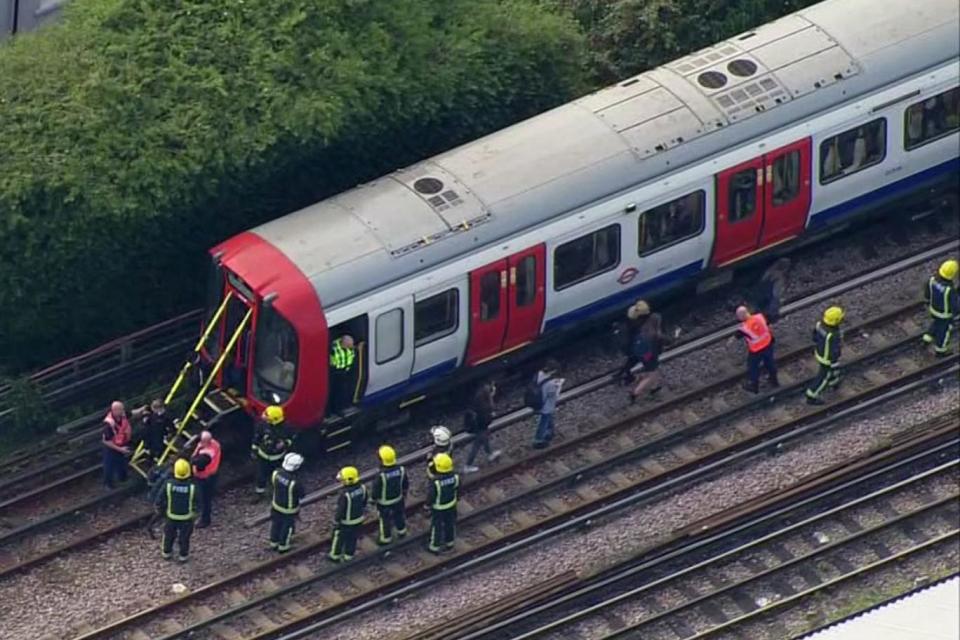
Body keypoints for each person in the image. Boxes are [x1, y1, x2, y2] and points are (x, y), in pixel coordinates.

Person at [155, 458, 197, 562]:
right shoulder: (192, 487)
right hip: (187, 518)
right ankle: (183, 555)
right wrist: (194, 514)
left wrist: (160, 510)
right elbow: (198, 502)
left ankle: (167, 553)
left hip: (171, 516)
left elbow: (159, 499)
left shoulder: (168, 484)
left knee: (168, 535)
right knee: (184, 538)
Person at [629, 313, 674, 403]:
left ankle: (654, 388)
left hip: (644, 356)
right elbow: (668, 341)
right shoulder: (655, 334)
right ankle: (635, 393)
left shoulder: (644, 331)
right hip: (650, 357)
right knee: (651, 376)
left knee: (654, 373)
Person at [734, 306, 779, 393]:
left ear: (741, 316)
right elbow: (768, 321)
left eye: (738, 317)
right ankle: (774, 381)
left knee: (752, 367)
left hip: (757, 350)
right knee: (770, 363)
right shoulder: (760, 316)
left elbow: (737, 335)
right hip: (768, 344)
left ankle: (754, 385)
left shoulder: (745, 328)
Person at [806, 307, 844, 405]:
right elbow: (833, 350)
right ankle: (811, 395)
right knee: (823, 377)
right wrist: (832, 361)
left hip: (819, 353)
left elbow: (814, 337)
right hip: (827, 360)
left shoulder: (820, 325)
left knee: (834, 371)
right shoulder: (833, 335)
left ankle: (834, 382)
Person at [371, 445, 409, 545]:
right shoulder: (401, 469)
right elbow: (405, 483)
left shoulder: (381, 475)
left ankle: (385, 539)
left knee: (385, 520)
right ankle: (402, 531)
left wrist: (373, 499)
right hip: (398, 499)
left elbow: (376, 489)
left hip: (384, 503)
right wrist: (404, 493)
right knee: (399, 515)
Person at [329, 466, 367, 562]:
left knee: (339, 537)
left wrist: (336, 520)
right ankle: (348, 556)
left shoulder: (344, 494)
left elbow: (341, 510)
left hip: (346, 522)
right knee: (352, 538)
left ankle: (335, 556)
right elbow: (364, 501)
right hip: (358, 519)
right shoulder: (362, 487)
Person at [251, 405, 291, 496]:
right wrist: (254, 451)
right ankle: (259, 493)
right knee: (260, 476)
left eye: (267, 415)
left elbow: (291, 439)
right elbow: (257, 438)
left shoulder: (285, 428)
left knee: (277, 477)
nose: (264, 415)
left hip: (278, 459)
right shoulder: (262, 425)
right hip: (262, 456)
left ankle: (276, 493)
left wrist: (284, 444)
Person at [270, 452, 305, 553]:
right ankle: (283, 547)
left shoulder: (276, 473)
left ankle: (273, 542)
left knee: (276, 524)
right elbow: (302, 495)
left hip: (275, 505)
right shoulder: (295, 482)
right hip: (289, 510)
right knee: (287, 527)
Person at [463, 382, 501, 473]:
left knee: (485, 438)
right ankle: (467, 465)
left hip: (479, 425)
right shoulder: (485, 404)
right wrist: (491, 414)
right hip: (480, 425)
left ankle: (490, 454)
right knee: (477, 444)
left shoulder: (479, 397)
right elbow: (486, 417)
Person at [923, 259, 958, 357]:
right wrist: (957, 315)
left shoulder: (932, 280)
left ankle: (927, 338)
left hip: (933, 310)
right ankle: (940, 351)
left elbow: (927, 293)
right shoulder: (949, 290)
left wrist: (927, 301)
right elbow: (954, 305)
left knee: (936, 323)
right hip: (944, 315)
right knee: (944, 331)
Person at [427, 453, 460, 554]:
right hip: (451, 505)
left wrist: (427, 505)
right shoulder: (455, 477)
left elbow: (431, 496)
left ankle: (434, 547)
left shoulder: (436, 482)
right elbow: (458, 489)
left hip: (438, 508)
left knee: (436, 526)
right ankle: (449, 543)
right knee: (449, 524)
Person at [191, 430, 222, 528]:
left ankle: (205, 520)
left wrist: (191, 459)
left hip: (205, 478)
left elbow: (195, 462)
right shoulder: (214, 444)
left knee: (205, 499)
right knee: (205, 498)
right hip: (210, 475)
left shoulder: (207, 454)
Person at [532, 360, 564, 449]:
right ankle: (538, 439)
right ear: (553, 370)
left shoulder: (539, 374)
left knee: (548, 417)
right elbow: (553, 394)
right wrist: (558, 385)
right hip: (545, 404)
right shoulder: (552, 383)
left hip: (537, 400)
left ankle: (551, 431)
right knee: (544, 420)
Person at [102, 401, 133, 489]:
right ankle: (108, 484)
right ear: (115, 410)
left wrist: (142, 409)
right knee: (109, 466)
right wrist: (120, 449)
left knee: (122, 463)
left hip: (121, 443)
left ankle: (123, 478)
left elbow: (131, 413)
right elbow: (106, 441)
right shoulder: (108, 423)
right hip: (111, 446)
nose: (123, 411)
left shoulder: (121, 415)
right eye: (121, 409)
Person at [618, 300, 651, 385]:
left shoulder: (633, 317)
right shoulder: (637, 323)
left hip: (635, 345)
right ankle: (627, 375)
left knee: (634, 359)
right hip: (635, 345)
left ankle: (626, 374)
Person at [753, 258, 790, 324]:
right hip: (770, 296)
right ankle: (771, 317)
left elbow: (762, 282)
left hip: (761, 295)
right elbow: (776, 293)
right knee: (774, 302)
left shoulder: (768, 272)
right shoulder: (779, 277)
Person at [329, 334, 357, 415]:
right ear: (343, 343)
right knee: (333, 393)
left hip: (345, 372)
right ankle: (332, 410)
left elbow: (351, 356)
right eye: (348, 345)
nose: (350, 347)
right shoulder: (333, 348)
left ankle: (340, 409)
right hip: (334, 373)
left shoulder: (350, 347)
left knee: (342, 392)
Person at [140, 398, 174, 463]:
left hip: (160, 436)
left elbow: (170, 426)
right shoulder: (151, 416)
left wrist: (170, 433)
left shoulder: (166, 415)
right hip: (153, 437)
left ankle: (155, 456)